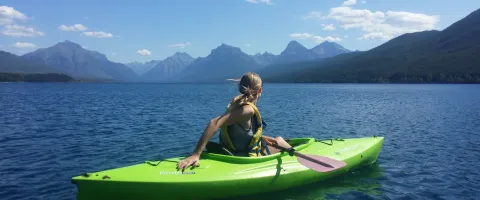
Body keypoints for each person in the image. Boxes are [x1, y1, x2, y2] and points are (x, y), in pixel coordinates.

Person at [177, 72, 292, 171]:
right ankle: (295, 163)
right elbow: (214, 123)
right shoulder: (248, 110)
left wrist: (260, 138)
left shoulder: (237, 104)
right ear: (260, 90)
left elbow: (239, 133)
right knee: (280, 140)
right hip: (243, 157)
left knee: (275, 140)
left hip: (235, 151)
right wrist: (196, 154)